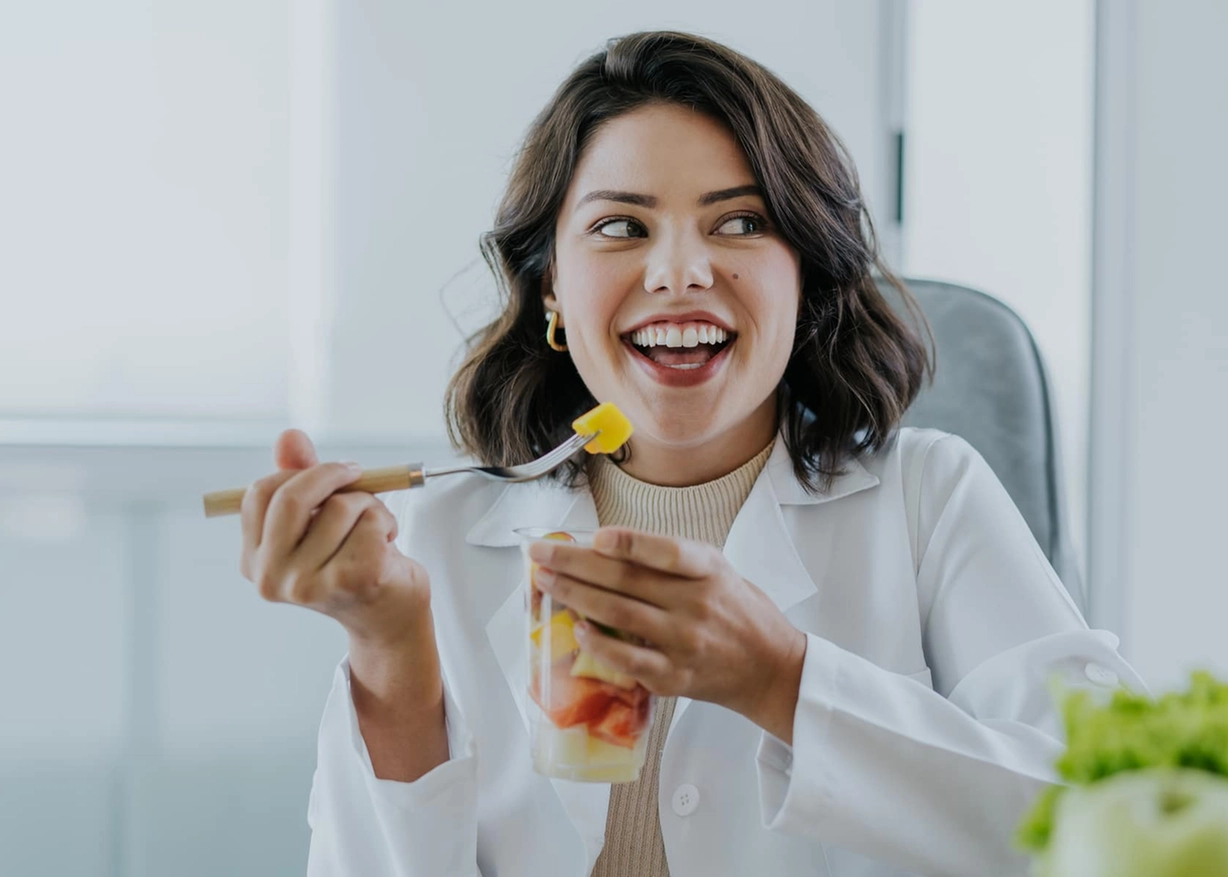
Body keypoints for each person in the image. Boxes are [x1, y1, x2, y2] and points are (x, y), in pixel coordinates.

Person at [238, 30, 1143, 877]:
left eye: (741, 223)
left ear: (810, 274)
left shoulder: (927, 498)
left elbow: (1127, 818)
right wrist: (390, 648)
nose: (679, 272)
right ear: (551, 282)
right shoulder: (433, 538)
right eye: (621, 227)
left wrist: (783, 678)